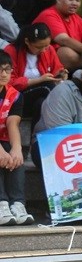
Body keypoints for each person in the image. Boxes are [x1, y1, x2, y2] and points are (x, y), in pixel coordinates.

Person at [3, 23, 67, 120]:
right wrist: (39, 80)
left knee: (41, 103)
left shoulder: (49, 50)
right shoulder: (12, 51)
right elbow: (7, 82)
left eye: (46, 46)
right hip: (16, 98)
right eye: (38, 47)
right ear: (27, 41)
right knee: (47, 86)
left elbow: (57, 69)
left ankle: (37, 129)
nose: (43, 50)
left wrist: (61, 74)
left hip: (39, 96)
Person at [0, 51, 31, 226]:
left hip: (2, 138)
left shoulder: (15, 95)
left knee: (14, 155)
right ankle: (1, 203)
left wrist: (17, 149)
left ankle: (17, 204)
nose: (3, 74)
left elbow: (13, 123)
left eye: (7, 69)